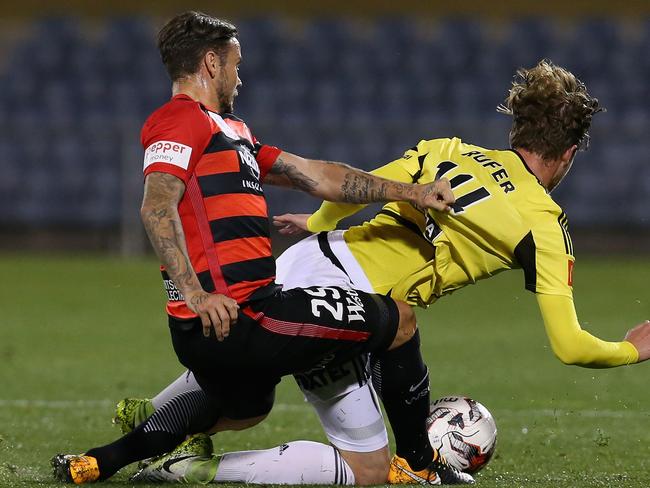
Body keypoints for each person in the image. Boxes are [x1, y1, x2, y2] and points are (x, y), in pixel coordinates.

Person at [116, 59, 650, 485]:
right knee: (365, 470)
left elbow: (365, 186)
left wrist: (317, 222)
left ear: (518, 130)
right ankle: (195, 469)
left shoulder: (450, 151)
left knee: (256, 362)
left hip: (307, 259)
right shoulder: (543, 224)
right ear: (569, 153)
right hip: (347, 301)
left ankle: (156, 416)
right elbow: (570, 344)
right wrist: (631, 348)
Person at [50, 11, 471, 486]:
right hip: (242, 314)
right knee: (399, 321)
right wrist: (195, 292)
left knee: (248, 405)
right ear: (211, 63)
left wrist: (410, 192)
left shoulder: (233, 133)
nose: (240, 77)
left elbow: (318, 175)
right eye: (234, 64)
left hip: (229, 324)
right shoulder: (180, 120)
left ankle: (96, 463)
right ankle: (418, 464)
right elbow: (157, 205)